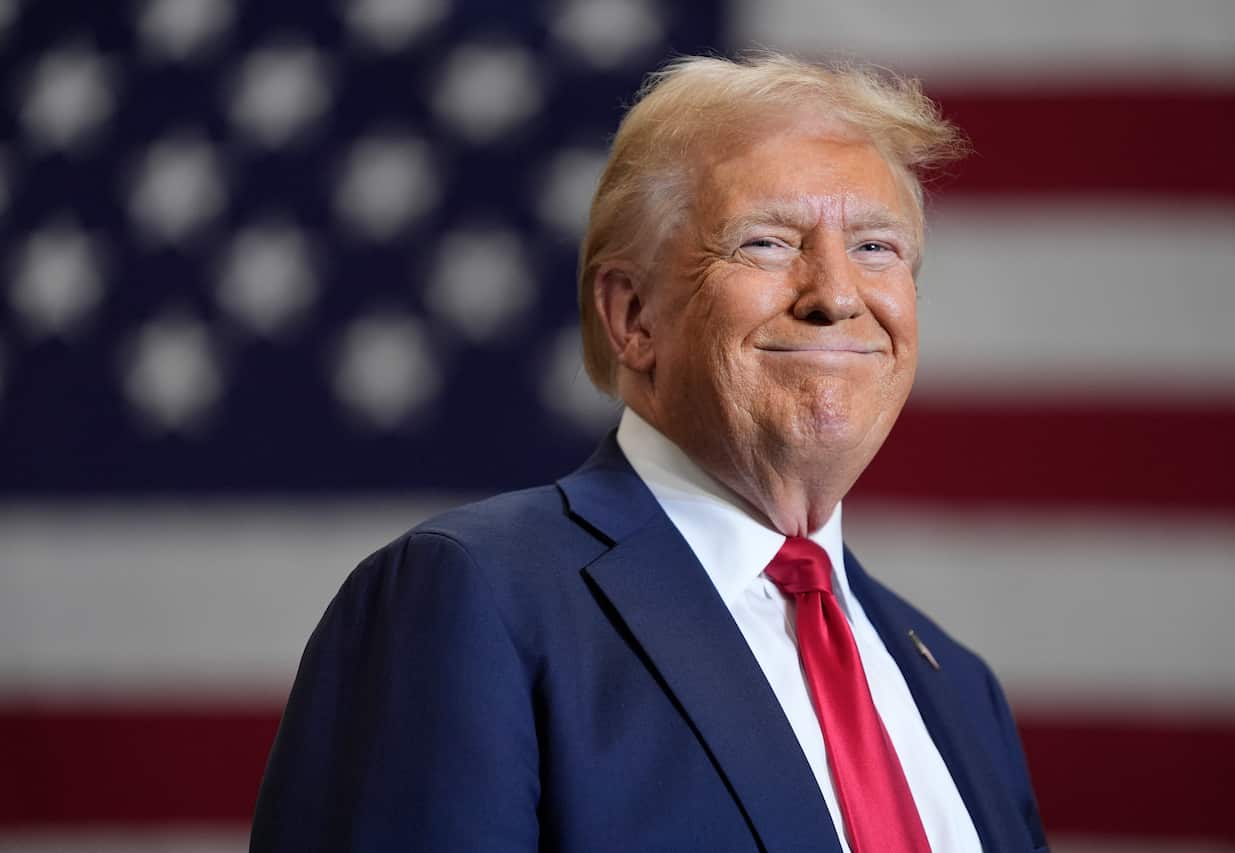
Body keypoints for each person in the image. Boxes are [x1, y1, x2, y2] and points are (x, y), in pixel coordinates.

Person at [250, 52, 1047, 852]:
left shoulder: (958, 686)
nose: (836, 294)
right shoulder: (471, 597)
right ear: (633, 317)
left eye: (877, 247)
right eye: (767, 242)